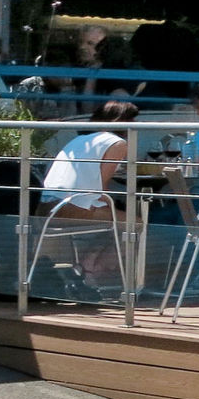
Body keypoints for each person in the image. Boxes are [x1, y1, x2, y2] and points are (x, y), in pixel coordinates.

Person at [40, 100, 138, 290]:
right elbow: (101, 190)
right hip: (70, 210)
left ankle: (86, 266)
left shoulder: (78, 140)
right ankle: (92, 272)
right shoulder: (117, 143)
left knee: (118, 221)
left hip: (45, 208)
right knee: (137, 223)